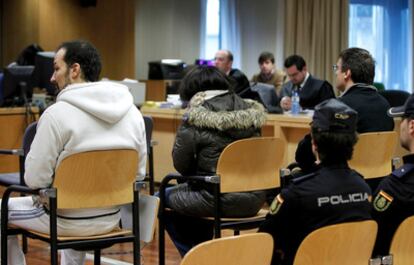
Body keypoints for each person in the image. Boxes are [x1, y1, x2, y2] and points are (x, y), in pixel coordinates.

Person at [1, 40, 147, 265]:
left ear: (75, 69)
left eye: (57, 68)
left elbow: (34, 179)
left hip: (64, 220)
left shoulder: (55, 115)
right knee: (68, 198)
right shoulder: (134, 114)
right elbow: (138, 175)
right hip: (112, 219)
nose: (52, 77)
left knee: (16, 206)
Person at [164, 65, 267, 256]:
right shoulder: (251, 112)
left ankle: (195, 256)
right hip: (255, 198)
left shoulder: (196, 115)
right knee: (193, 189)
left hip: (217, 199)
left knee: (160, 196)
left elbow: (181, 165)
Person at [259, 99, 372, 265]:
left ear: (313, 143)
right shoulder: (365, 189)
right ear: (353, 144)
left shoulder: (297, 193)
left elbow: (265, 239)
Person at [295, 48, 394, 174]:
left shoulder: (338, 107)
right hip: (379, 180)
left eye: (337, 68)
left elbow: (303, 154)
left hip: (342, 183)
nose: (336, 73)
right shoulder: (386, 105)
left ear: (347, 73)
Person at [371, 93, 414, 256]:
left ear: (411, 126)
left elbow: (374, 240)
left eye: (402, 119)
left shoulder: (394, 188)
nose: (400, 125)